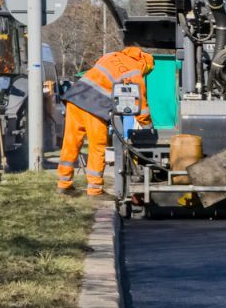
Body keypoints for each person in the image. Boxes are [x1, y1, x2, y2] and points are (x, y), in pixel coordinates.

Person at [57, 46, 154, 196]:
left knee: (71, 142)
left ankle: (63, 183)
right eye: (147, 70)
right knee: (97, 147)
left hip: (75, 98)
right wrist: (148, 129)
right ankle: (95, 188)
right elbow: (141, 105)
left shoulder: (112, 56)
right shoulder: (134, 71)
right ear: (144, 64)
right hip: (95, 105)